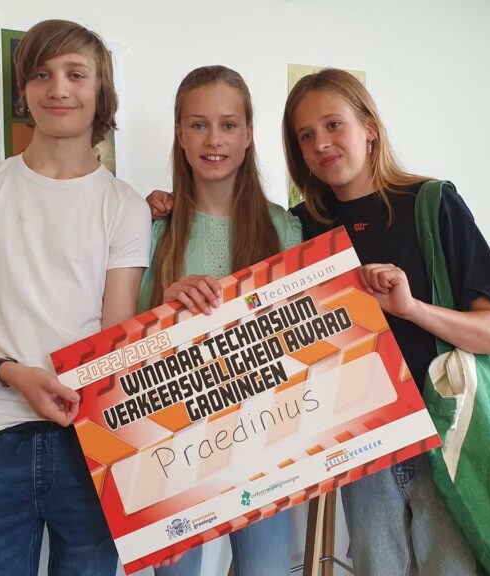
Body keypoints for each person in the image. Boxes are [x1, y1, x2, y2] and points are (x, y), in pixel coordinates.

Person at [0, 19, 151, 576]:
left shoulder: (125, 207)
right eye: (42, 75)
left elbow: (113, 342)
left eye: (76, 74)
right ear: (23, 90)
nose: (58, 89)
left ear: (101, 91)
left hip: (90, 440)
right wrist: (13, 374)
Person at [281, 68, 490, 575]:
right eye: (305, 135)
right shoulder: (300, 227)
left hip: (443, 435)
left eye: (333, 125)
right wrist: (161, 211)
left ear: (369, 127)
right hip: (362, 443)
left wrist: (411, 309)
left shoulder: (432, 203)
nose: (320, 144)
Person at [143, 65, 302, 576]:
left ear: (249, 133)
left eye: (229, 125)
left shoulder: (283, 228)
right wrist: (165, 307)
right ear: (179, 133)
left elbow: (305, 338)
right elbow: (123, 349)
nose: (214, 140)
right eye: (198, 125)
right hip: (175, 449)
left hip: (266, 441)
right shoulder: (152, 228)